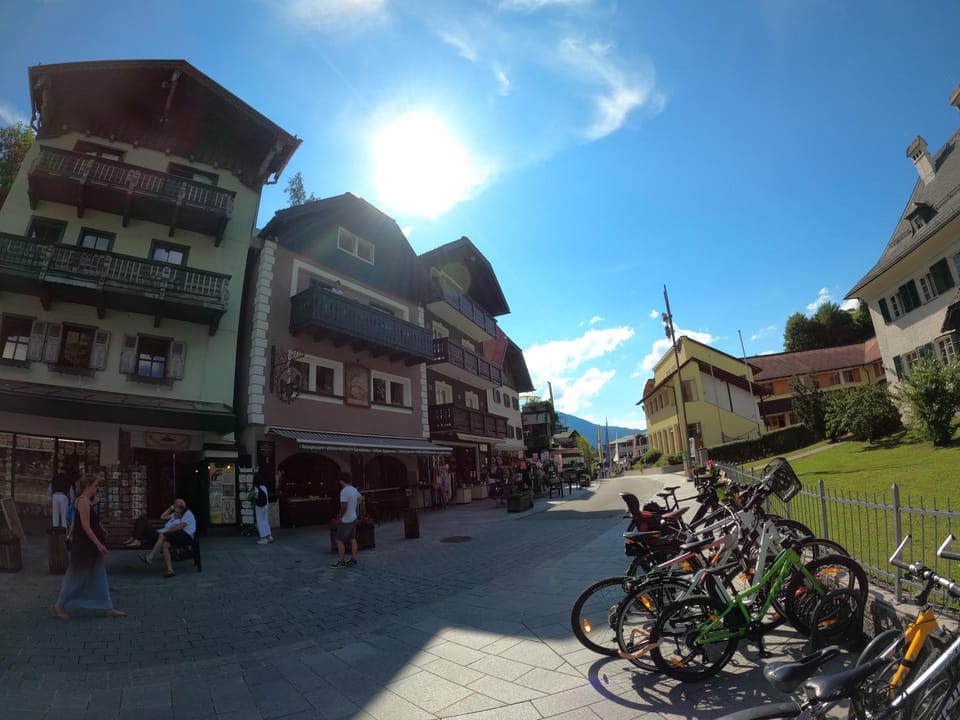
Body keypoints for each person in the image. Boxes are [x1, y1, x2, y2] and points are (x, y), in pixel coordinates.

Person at [53, 472, 126, 620]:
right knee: (76, 576)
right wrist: (99, 545)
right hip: (84, 546)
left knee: (99, 574)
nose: (96, 489)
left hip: (89, 545)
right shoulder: (83, 501)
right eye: (95, 486)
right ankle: (60, 605)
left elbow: (78, 520)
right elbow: (85, 526)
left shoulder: (86, 501)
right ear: (88, 487)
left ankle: (108, 607)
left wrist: (101, 528)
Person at [137, 499, 196, 578]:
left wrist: (166, 531)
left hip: (185, 535)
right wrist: (171, 508)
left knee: (162, 536)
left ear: (181, 508)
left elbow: (179, 527)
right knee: (165, 545)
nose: (175, 512)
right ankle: (170, 570)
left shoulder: (187, 514)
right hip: (176, 534)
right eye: (174, 506)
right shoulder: (175, 513)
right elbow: (162, 517)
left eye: (176, 507)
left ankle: (150, 557)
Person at [331, 473, 362, 568]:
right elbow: (361, 498)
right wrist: (355, 507)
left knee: (339, 540)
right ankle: (353, 559)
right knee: (353, 539)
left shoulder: (344, 491)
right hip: (353, 516)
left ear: (342, 481)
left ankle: (341, 561)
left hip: (346, 518)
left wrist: (339, 517)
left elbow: (343, 506)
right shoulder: (353, 489)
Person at [253, 475, 274, 545]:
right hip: (266, 506)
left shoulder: (256, 487)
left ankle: (263, 538)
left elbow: (256, 497)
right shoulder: (264, 487)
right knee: (265, 520)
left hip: (259, 506)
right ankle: (269, 536)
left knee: (260, 521)